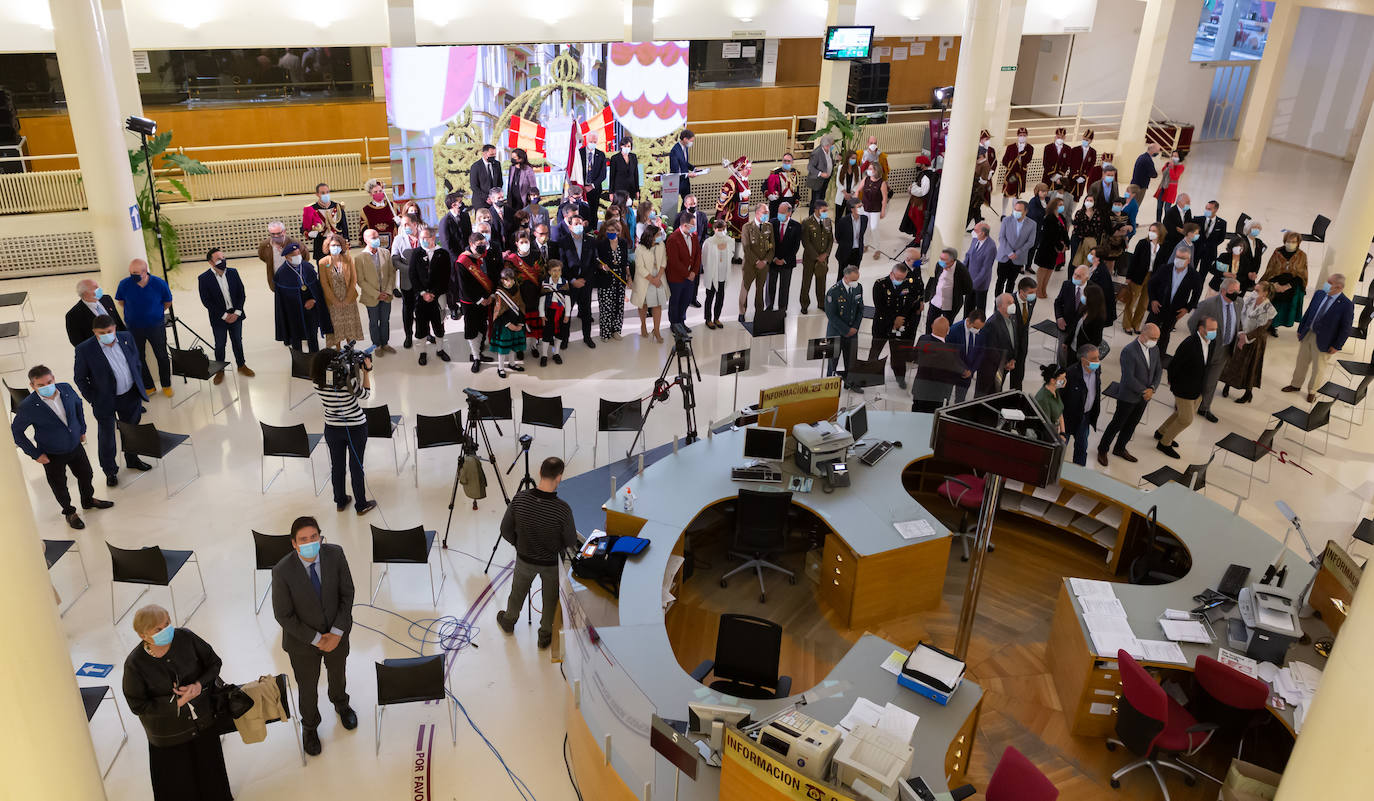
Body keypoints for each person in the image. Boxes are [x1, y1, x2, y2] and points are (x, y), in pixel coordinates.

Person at [122, 605, 232, 800]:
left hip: (203, 722)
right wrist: (176, 704)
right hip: (169, 736)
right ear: (143, 635)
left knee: (211, 774)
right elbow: (137, 705)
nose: (167, 630)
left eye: (167, 623)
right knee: (178, 784)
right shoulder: (135, 664)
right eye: (158, 629)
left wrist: (199, 684)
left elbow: (214, 663)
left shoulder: (186, 637)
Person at [272, 517, 358, 756]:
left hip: (337, 635)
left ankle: (341, 703)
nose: (310, 542)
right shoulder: (282, 571)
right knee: (307, 687)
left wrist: (337, 633)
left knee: (338, 673)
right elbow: (283, 615)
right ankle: (310, 726)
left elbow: (347, 594)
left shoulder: (335, 554)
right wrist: (317, 639)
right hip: (303, 643)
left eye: (314, 537)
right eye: (303, 539)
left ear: (320, 537)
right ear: (294, 543)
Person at [11, 365, 112, 529]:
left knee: (87, 474)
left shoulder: (65, 388)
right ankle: (69, 512)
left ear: (54, 378)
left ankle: (88, 500)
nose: (47, 387)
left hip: (74, 445)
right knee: (59, 486)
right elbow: (17, 432)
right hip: (51, 453)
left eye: (49, 382)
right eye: (41, 385)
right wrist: (35, 454)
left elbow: (78, 407)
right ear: (32, 386)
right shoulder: (28, 407)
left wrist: (82, 429)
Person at [495, 457, 579, 649]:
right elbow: (571, 542)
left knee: (517, 593)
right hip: (550, 564)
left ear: (539, 473)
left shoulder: (520, 499)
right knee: (550, 600)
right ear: (559, 478)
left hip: (524, 559)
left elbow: (505, 529)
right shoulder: (563, 510)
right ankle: (545, 636)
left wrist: (519, 545)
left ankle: (509, 621)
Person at [73, 315, 151, 485]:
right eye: (102, 333)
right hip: (104, 400)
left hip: (130, 394)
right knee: (107, 436)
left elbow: (136, 361)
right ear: (95, 332)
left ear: (115, 327)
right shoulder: (84, 349)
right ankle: (110, 471)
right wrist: (93, 399)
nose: (107, 335)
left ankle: (132, 459)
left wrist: (137, 384)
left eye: (110, 331)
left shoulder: (126, 337)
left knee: (131, 430)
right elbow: (80, 378)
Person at [1097, 324, 1162, 466]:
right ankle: (1102, 449)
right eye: (1153, 338)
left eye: (1157, 338)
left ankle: (1120, 448)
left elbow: (1158, 371)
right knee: (1117, 424)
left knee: (1132, 424)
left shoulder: (1155, 349)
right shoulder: (1129, 351)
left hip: (1144, 397)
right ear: (1143, 335)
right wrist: (1145, 391)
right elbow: (1128, 378)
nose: (1155, 341)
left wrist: (1152, 388)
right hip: (1128, 396)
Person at [1282, 274, 1354, 402]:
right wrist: (1300, 329)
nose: (1326, 284)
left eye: (1329, 282)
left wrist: (1337, 346)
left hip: (1325, 341)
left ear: (1338, 287)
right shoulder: (1319, 294)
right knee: (1301, 362)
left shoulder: (1346, 304)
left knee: (1318, 368)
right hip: (1308, 333)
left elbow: (1345, 328)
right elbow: (1309, 312)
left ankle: (1312, 391)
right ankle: (1295, 385)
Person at [1155, 316, 1215, 459]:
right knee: (1186, 419)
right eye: (1211, 329)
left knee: (1180, 414)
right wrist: (1173, 382)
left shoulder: (1210, 343)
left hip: (1198, 387)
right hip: (1184, 388)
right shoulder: (1189, 344)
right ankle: (1164, 443)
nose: (1214, 332)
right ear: (1201, 329)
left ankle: (1162, 432)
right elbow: (1174, 364)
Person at [115, 259, 174, 397]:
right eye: (131, 272)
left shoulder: (159, 283)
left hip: (156, 326)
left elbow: (167, 301)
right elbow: (121, 301)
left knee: (162, 356)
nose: (132, 275)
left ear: (144, 271)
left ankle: (166, 385)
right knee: (138, 357)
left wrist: (155, 313)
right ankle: (149, 386)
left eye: (135, 273)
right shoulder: (124, 284)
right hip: (134, 327)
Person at [1188, 277, 1242, 423]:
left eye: (1238, 291)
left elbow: (1237, 322)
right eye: (1232, 291)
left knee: (1211, 382)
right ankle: (1184, 404)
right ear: (1223, 290)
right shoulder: (1208, 305)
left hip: (1224, 350)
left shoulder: (1239, 303)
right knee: (1195, 377)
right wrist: (1200, 342)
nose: (1236, 294)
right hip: (1206, 349)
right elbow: (1192, 323)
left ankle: (1204, 407)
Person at [196, 248, 253, 383]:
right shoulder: (204, 278)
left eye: (223, 257)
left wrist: (237, 312)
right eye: (218, 259)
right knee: (220, 344)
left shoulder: (233, 273)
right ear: (210, 262)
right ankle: (220, 370)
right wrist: (223, 315)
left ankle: (241, 365)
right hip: (218, 317)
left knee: (237, 341)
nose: (223, 261)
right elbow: (206, 301)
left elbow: (241, 293)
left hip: (236, 314)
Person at [869, 261, 922, 390]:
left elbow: (910, 303)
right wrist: (895, 319)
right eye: (897, 278)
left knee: (898, 355)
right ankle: (868, 374)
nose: (900, 281)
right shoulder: (880, 284)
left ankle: (900, 378)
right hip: (882, 325)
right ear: (891, 274)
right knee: (875, 351)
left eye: (902, 278)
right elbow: (880, 307)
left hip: (899, 327)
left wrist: (902, 318)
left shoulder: (909, 284)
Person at [1219, 282, 1276, 404]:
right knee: (1232, 362)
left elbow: (1262, 328)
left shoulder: (1269, 309)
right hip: (1240, 334)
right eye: (1255, 289)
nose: (1254, 292)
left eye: (1258, 290)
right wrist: (1240, 333)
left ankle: (1248, 393)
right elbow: (1239, 315)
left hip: (1255, 341)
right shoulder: (1249, 299)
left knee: (1250, 366)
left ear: (1265, 293)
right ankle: (1227, 385)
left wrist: (1247, 337)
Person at [273, 242, 331, 352]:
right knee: (296, 339)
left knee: (313, 337)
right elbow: (281, 301)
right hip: (293, 314)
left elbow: (317, 289)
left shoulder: (307, 267)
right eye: (294, 255)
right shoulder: (281, 274)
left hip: (310, 311)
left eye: (298, 253)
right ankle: (300, 364)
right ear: (287, 257)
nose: (297, 257)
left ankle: (315, 361)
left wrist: (313, 300)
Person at [1145, 249, 1203, 353]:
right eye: (1177, 257)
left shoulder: (1194, 275)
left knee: (1164, 335)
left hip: (1174, 311)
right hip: (1158, 307)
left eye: (1182, 258)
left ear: (1188, 260)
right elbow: (1151, 284)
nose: (1178, 260)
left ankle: (1158, 358)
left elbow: (1197, 293)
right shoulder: (1165, 269)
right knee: (1149, 330)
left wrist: (1187, 308)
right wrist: (1153, 300)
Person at [409, 226, 451, 366]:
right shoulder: (416, 253)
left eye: (425, 238)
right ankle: (423, 352)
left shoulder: (443, 254)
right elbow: (413, 275)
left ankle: (440, 350)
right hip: (421, 297)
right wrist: (422, 293)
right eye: (421, 238)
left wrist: (434, 293)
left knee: (439, 323)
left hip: (437, 296)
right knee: (421, 326)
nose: (422, 240)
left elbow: (445, 277)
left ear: (433, 238)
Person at [455, 233, 496, 371]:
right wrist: (480, 300)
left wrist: (491, 296)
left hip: (486, 299)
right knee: (472, 329)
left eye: (484, 244)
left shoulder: (486, 256)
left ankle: (479, 353)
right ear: (471, 244)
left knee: (482, 327)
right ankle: (476, 357)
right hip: (471, 302)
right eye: (479, 245)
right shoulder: (463, 261)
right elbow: (464, 286)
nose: (483, 247)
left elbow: (492, 277)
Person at [353, 229, 397, 354]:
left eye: (377, 236)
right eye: (373, 237)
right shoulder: (360, 258)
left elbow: (391, 273)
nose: (376, 239)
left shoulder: (385, 253)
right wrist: (377, 294)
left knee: (385, 320)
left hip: (386, 295)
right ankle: (376, 344)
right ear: (366, 240)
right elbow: (361, 281)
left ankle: (385, 343)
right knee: (374, 321)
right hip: (372, 296)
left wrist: (387, 291)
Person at [559, 214, 598, 348]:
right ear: (570, 226)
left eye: (580, 223)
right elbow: (561, 265)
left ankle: (587, 337)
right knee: (567, 312)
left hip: (586, 283)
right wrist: (573, 280)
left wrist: (584, 280)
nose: (579, 226)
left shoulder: (591, 241)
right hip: (570, 284)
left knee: (586, 312)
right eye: (575, 223)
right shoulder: (563, 242)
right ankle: (564, 340)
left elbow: (593, 263)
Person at [1260, 231, 1309, 336]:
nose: (1290, 243)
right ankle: (1266, 325)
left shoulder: (1302, 256)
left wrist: (1286, 286)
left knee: (1283, 308)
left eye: (1293, 242)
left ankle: (1274, 326)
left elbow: (1302, 275)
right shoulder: (1277, 252)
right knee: (1271, 304)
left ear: (1298, 243)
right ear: (1284, 241)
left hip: (1291, 285)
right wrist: (1275, 285)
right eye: (1288, 241)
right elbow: (1270, 270)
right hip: (1276, 283)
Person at [1060, 345, 1102, 466]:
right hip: (1067, 419)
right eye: (1094, 359)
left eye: (1098, 357)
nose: (1097, 361)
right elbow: (1058, 397)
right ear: (1084, 360)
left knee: (1082, 448)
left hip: (1085, 418)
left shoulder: (1097, 370)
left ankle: (1079, 472)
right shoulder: (1069, 374)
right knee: (1060, 448)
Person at [318, 234, 362, 348]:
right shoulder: (323, 262)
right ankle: (337, 350)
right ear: (328, 246)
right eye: (333, 245)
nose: (335, 247)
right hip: (333, 299)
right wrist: (334, 301)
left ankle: (350, 348)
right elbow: (324, 283)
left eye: (338, 245)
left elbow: (353, 279)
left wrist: (347, 299)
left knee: (349, 325)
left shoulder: (348, 259)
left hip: (349, 297)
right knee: (336, 326)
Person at [910, 317, 963, 412]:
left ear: (932, 326)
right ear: (948, 330)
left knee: (915, 414)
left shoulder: (923, 339)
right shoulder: (948, 351)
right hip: (935, 395)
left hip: (919, 389)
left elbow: (915, 357)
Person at [1123, 223, 1167, 335]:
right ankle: (1127, 325)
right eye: (1150, 230)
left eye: (1154, 231)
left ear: (1160, 233)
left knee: (1143, 304)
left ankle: (1136, 324)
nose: (1151, 233)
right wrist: (1128, 277)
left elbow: (1163, 265)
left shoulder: (1163, 247)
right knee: (1131, 300)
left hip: (1152, 278)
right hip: (1138, 275)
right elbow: (1134, 261)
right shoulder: (1143, 243)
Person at [825, 265, 865, 389]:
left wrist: (855, 328)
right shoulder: (833, 291)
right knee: (833, 361)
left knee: (851, 360)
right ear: (845, 277)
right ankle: (829, 385)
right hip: (836, 332)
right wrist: (846, 330)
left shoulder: (858, 287)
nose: (855, 283)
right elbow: (831, 315)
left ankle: (850, 382)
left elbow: (860, 309)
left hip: (853, 332)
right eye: (853, 280)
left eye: (857, 279)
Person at [975, 293, 1018, 396]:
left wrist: (1012, 359)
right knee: (984, 395)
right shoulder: (992, 323)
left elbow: (1014, 340)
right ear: (999, 306)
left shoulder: (1012, 318)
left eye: (1013, 302)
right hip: (990, 369)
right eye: (1009, 303)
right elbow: (990, 349)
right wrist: (1005, 363)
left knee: (996, 392)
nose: (1012, 305)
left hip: (1003, 366)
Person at [595, 220, 630, 341]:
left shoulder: (623, 243)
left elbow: (625, 262)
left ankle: (616, 330)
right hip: (605, 280)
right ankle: (605, 333)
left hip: (619, 279)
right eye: (608, 231)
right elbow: (596, 262)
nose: (610, 232)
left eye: (613, 231)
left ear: (618, 232)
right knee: (606, 307)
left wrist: (628, 277)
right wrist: (601, 266)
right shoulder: (601, 244)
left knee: (618, 306)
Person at [390, 214, 422, 348]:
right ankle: (408, 335)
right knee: (407, 310)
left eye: (407, 224)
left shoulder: (424, 236)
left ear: (415, 224)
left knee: (423, 309)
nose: (404, 227)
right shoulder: (398, 239)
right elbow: (395, 260)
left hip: (422, 281)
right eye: (403, 224)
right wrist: (410, 269)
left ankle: (424, 332)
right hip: (407, 281)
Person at [633, 224, 668, 342]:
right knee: (643, 303)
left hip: (658, 277)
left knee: (657, 304)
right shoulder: (640, 248)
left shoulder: (661, 245)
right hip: (644, 279)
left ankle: (656, 330)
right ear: (650, 236)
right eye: (658, 234)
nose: (660, 236)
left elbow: (663, 262)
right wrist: (652, 279)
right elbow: (640, 267)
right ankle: (643, 325)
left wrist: (658, 278)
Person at [488, 268, 527, 377]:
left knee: (513, 346)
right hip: (504, 326)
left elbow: (521, 306)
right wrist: (509, 324)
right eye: (506, 280)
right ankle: (500, 368)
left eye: (511, 280)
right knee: (503, 349)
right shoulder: (499, 293)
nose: (508, 282)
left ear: (514, 280)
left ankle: (512, 363)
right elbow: (498, 312)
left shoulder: (518, 290)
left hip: (516, 323)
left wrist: (520, 323)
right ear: (502, 280)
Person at [739, 203, 774, 322]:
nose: (767, 215)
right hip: (750, 264)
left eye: (767, 212)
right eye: (765, 213)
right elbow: (746, 248)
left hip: (763, 265)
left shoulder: (769, 227)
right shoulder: (747, 227)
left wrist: (765, 261)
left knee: (760, 289)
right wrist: (756, 261)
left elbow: (772, 247)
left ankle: (759, 312)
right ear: (757, 213)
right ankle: (742, 312)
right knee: (745, 287)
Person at [924, 248, 972, 333]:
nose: (940, 261)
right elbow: (936, 280)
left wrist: (956, 292)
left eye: (944, 260)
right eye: (940, 258)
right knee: (930, 324)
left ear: (952, 261)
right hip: (936, 300)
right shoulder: (939, 265)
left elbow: (968, 288)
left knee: (946, 327)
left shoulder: (961, 270)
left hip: (951, 303)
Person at [66, 278, 124, 347]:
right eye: (95, 288)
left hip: (118, 344)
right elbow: (76, 341)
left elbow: (118, 322)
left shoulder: (107, 299)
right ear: (85, 293)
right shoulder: (73, 315)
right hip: (98, 349)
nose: (99, 289)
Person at [800, 201, 834, 315]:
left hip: (824, 258)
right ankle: (804, 304)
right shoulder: (807, 222)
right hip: (810, 258)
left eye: (826, 210)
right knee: (806, 282)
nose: (825, 213)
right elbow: (806, 242)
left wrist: (826, 254)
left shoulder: (828, 221)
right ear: (816, 210)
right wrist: (816, 256)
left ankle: (821, 303)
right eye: (823, 211)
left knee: (821, 281)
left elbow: (830, 239)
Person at [997, 202, 1036, 297]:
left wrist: (1017, 253)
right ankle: (997, 301)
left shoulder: (1032, 224)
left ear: (1025, 211)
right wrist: (1009, 252)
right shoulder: (1006, 220)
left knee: (1011, 281)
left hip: (1018, 258)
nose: (1016, 212)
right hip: (1004, 256)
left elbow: (1030, 242)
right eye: (1015, 210)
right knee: (1000, 281)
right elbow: (1001, 237)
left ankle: (1008, 299)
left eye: (1019, 210)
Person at [1034, 195, 1070, 299]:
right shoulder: (1049, 218)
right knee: (1043, 268)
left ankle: (1044, 289)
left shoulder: (1061, 217)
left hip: (1055, 249)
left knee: (1050, 269)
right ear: (1054, 206)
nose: (1062, 207)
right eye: (1060, 205)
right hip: (1047, 248)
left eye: (1063, 205)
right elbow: (1050, 235)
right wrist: (1059, 245)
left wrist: (1067, 244)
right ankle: (1039, 289)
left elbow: (1064, 232)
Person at [302, 182, 348, 262]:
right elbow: (303, 229)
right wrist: (310, 233)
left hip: (337, 242)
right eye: (322, 193)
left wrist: (347, 241)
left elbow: (344, 226)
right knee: (323, 269)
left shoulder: (337, 207)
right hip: (320, 243)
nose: (325, 194)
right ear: (317, 194)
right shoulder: (311, 209)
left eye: (327, 192)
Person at [768, 202, 801, 312]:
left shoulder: (796, 226)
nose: (779, 214)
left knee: (784, 287)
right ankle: (769, 307)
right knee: (770, 286)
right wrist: (774, 258)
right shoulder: (772, 223)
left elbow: (795, 246)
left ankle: (782, 309)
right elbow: (768, 243)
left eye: (782, 213)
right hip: (773, 261)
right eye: (779, 212)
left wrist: (784, 260)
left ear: (789, 213)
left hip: (787, 263)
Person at [700, 218, 732, 330]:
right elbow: (704, 259)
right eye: (719, 229)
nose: (721, 231)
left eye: (723, 229)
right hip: (713, 275)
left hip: (723, 275)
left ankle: (717, 317)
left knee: (720, 297)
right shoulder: (708, 242)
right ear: (714, 229)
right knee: (710, 297)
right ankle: (708, 319)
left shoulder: (729, 241)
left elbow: (731, 255)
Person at [947, 308, 983, 403]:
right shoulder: (954, 330)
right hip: (952, 371)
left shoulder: (980, 330)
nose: (978, 330)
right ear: (969, 322)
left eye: (979, 328)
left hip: (967, 374)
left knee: (960, 400)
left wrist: (971, 370)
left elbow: (980, 353)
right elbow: (949, 354)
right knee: (945, 397)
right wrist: (961, 370)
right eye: (976, 328)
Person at [539, 261, 571, 365]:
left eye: (559, 270)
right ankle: (544, 355)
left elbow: (567, 300)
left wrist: (567, 314)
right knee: (547, 335)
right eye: (554, 271)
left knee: (559, 334)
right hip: (549, 312)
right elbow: (542, 301)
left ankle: (556, 353)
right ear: (549, 272)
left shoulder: (564, 283)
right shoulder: (545, 283)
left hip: (561, 312)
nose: (557, 273)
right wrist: (542, 315)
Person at [1055, 265, 1090, 359]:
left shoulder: (1092, 289)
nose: (1075, 277)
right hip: (1065, 325)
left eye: (1079, 276)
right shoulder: (1067, 284)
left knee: (1076, 354)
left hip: (1080, 328)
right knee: (1062, 353)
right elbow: (1058, 302)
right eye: (1075, 274)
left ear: (1087, 278)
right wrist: (1059, 317)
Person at [898, 155, 935, 246]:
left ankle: (917, 240)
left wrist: (912, 189)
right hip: (916, 202)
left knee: (919, 222)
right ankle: (917, 236)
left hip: (920, 203)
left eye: (918, 163)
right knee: (912, 216)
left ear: (923, 164)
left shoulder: (926, 176)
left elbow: (923, 191)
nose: (917, 165)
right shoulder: (923, 173)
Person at [1008, 277, 1037, 391]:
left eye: (1034, 292)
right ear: (1021, 292)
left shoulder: (1032, 300)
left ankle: (1015, 396)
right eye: (1030, 293)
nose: (1033, 295)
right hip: (1009, 343)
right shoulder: (1008, 302)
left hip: (1023, 342)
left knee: (1019, 374)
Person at [257, 221, 300, 293]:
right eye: (273, 234)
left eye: (279, 233)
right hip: (277, 280)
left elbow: (305, 257)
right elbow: (262, 257)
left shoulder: (294, 243)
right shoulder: (264, 245)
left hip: (294, 279)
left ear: (284, 231)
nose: (276, 236)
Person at [857, 160, 888, 258]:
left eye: (871, 169)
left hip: (876, 209)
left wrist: (883, 210)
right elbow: (858, 190)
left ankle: (877, 249)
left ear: (876, 171)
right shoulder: (866, 179)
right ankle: (865, 244)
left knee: (874, 228)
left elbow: (884, 198)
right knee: (865, 227)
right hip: (864, 207)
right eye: (868, 168)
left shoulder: (882, 183)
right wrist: (856, 201)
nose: (868, 170)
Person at [1000, 127, 1034, 216]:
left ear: (1027, 136)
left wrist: (1022, 154)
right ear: (1017, 136)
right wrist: (1011, 164)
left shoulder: (1030, 148)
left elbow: (1028, 160)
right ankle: (1003, 213)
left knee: (1016, 195)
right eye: (1020, 135)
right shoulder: (1010, 147)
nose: (1022, 137)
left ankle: (1013, 213)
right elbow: (1004, 160)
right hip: (1010, 174)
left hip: (1020, 174)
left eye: (1024, 135)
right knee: (1006, 194)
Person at [1071, 284, 1107, 365]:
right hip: (1072, 346)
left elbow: (1096, 340)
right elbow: (1075, 326)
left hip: (1082, 352)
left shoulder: (1098, 318)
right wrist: (1066, 342)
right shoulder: (1083, 308)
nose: (1082, 296)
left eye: (1085, 295)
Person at [1033, 363, 1069, 442]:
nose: (1065, 381)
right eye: (1062, 378)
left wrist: (1063, 432)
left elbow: (1060, 412)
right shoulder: (1043, 400)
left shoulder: (1054, 389)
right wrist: (1058, 439)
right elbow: (1047, 427)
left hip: (1056, 433)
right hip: (1047, 437)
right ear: (1053, 380)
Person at [359, 179, 399, 247]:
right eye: (375, 192)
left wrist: (399, 221)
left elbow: (400, 224)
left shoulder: (392, 206)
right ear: (370, 194)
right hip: (374, 243)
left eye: (380, 191)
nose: (378, 193)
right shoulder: (366, 210)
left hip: (393, 243)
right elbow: (364, 229)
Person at [835, 198, 867, 272]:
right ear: (852, 209)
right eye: (859, 207)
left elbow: (861, 235)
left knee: (854, 275)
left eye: (862, 206)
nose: (862, 208)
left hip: (858, 252)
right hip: (845, 252)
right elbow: (838, 236)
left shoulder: (864, 219)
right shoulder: (843, 221)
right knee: (842, 276)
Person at [1070, 196, 1104, 268]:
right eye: (1087, 200)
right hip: (1078, 239)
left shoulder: (1097, 213)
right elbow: (1076, 227)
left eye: (1091, 200)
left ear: (1094, 202)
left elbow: (1099, 228)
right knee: (1075, 260)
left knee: (1088, 260)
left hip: (1091, 240)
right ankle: (1072, 277)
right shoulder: (1079, 213)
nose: (1088, 202)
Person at [1064, 129, 1097, 202]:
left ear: (1091, 140)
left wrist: (1085, 176)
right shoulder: (1074, 150)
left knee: (1077, 198)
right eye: (1084, 139)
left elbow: (1091, 166)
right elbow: (1070, 164)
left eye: (1087, 140)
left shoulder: (1093, 152)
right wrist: (1075, 176)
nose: (1085, 141)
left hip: (1082, 180)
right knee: (1067, 197)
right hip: (1072, 178)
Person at [1195, 201, 1228, 274]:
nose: (1207, 210)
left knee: (1203, 274)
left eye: (1209, 209)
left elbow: (1221, 238)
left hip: (1209, 253)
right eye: (1206, 208)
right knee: (1190, 272)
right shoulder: (1197, 219)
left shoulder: (1222, 223)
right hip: (1196, 250)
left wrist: (1211, 245)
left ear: (1216, 210)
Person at [1154, 150, 1186, 223]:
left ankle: (1166, 223)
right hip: (1162, 187)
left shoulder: (1181, 166)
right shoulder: (1168, 163)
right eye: (1173, 156)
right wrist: (1167, 166)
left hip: (1171, 190)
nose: (1173, 158)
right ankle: (1158, 222)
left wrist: (1171, 168)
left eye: (1175, 156)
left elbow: (1174, 177)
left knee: (1167, 208)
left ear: (1179, 158)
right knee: (1159, 207)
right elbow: (1163, 172)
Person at [469, 144, 503, 211]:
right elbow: (474, 186)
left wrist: (495, 196)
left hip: (495, 201)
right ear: (484, 154)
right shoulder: (476, 166)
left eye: (494, 154)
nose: (493, 157)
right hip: (481, 202)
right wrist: (487, 198)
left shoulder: (497, 164)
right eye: (491, 155)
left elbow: (500, 182)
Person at [439, 190, 472, 256]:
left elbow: (470, 235)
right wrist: (458, 259)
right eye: (460, 202)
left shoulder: (465, 216)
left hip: (468, 254)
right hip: (455, 258)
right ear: (453, 205)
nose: (462, 204)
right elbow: (446, 244)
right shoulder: (445, 222)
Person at [806, 135, 834, 214]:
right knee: (816, 201)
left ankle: (819, 215)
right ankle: (812, 217)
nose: (832, 146)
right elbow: (810, 167)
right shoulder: (817, 153)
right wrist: (820, 174)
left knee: (822, 199)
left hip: (825, 179)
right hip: (817, 181)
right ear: (826, 145)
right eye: (831, 145)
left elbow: (828, 163)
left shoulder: (829, 151)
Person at [1041, 128, 1071, 198]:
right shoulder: (1048, 147)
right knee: (1044, 196)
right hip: (1048, 176)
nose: (1060, 138)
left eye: (1062, 137)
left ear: (1065, 137)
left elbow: (1067, 164)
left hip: (1059, 178)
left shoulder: (1068, 149)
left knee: (1056, 197)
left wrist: (1059, 175)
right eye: (1058, 136)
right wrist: (1052, 175)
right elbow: (1045, 163)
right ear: (1055, 136)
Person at [668, 128, 696, 199]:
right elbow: (675, 170)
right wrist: (688, 175)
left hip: (685, 182)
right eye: (691, 141)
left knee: (686, 201)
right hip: (677, 182)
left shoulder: (685, 147)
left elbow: (684, 162)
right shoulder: (675, 150)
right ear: (685, 139)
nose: (692, 143)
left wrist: (693, 168)